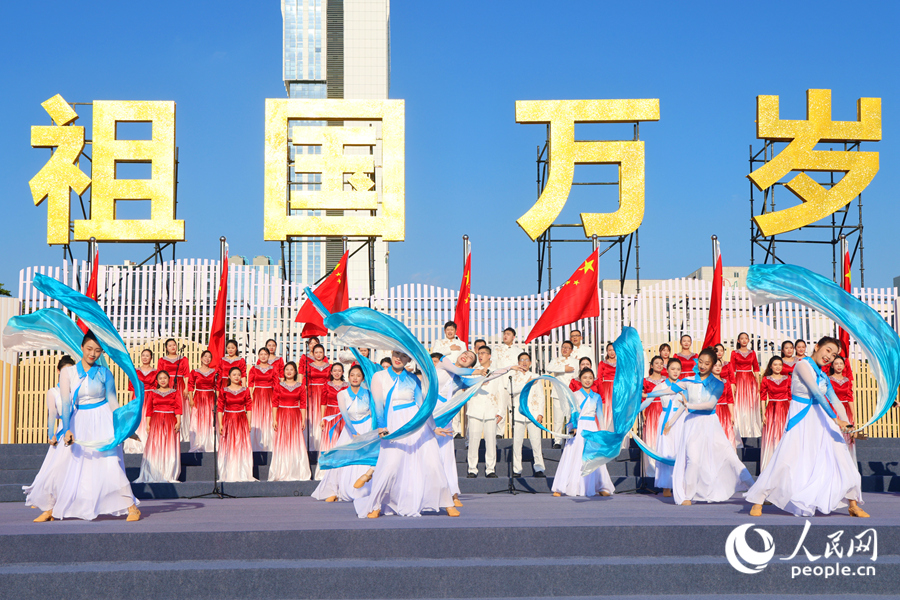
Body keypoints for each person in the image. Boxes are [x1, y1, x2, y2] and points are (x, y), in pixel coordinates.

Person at [747, 337, 867, 518]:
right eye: (828, 350)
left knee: (842, 458)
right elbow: (817, 393)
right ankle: (759, 499)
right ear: (817, 347)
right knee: (785, 459)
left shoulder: (824, 375)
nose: (829, 357)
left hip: (822, 420)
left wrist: (849, 426)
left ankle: (853, 503)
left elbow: (836, 400)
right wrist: (836, 420)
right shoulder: (802, 365)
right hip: (801, 418)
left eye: (834, 355)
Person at [355, 351, 457, 518]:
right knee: (390, 465)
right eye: (396, 354)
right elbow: (378, 404)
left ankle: (447, 503)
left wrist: (432, 426)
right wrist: (381, 426)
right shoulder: (379, 376)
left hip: (417, 425)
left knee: (433, 463)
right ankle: (376, 504)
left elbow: (422, 405)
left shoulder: (413, 378)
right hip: (393, 425)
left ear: (409, 359)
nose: (398, 358)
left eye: (403, 356)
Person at [647, 348, 754, 506]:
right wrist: (647, 395)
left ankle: (754, 490)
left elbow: (710, 404)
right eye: (701, 362)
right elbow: (669, 390)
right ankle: (688, 496)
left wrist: (688, 404)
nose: (703, 365)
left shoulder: (718, 384)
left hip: (710, 423)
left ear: (712, 365)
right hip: (692, 424)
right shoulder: (689, 380)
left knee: (730, 457)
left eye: (707, 363)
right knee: (693, 460)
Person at [52, 331, 141, 521]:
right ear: (82, 348)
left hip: (103, 421)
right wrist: (67, 428)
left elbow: (113, 403)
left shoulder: (105, 373)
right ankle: (72, 506)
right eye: (89, 349)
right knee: (78, 463)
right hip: (79, 422)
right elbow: (66, 403)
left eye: (98, 351)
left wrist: (126, 428)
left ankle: (131, 506)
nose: (93, 354)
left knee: (110, 463)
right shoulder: (69, 372)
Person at [24, 355, 77, 522]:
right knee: (56, 470)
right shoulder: (53, 392)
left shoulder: (77, 390)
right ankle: (50, 507)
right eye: (64, 371)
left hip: (80, 432)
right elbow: (52, 415)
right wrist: (50, 434)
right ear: (58, 371)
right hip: (63, 433)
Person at [552, 368, 614, 497]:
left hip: (592, 428)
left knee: (593, 457)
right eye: (585, 377)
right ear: (579, 379)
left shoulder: (596, 397)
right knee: (574, 455)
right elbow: (573, 412)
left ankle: (599, 485)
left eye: (590, 377)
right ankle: (563, 486)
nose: (587, 380)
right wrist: (574, 426)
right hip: (579, 427)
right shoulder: (574, 395)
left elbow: (600, 415)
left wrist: (602, 431)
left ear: (594, 380)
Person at [312, 364, 372, 498]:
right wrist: (354, 432)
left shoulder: (368, 393)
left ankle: (364, 488)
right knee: (342, 459)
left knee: (365, 458)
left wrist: (369, 432)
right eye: (352, 375)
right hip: (350, 429)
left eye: (358, 375)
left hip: (366, 428)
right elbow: (344, 414)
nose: (355, 378)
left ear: (363, 378)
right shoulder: (342, 394)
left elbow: (372, 412)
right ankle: (335, 490)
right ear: (348, 377)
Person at [433, 350, 479, 508]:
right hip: (428, 411)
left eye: (470, 358)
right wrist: (477, 371)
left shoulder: (460, 380)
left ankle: (452, 493)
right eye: (465, 353)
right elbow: (457, 370)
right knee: (425, 451)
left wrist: (505, 369)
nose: (466, 356)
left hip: (444, 416)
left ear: (470, 364)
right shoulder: (444, 362)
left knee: (446, 456)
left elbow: (482, 379)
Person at [645, 359, 686, 498]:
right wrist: (631, 414)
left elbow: (684, 405)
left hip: (680, 420)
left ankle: (680, 483)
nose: (675, 372)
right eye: (672, 368)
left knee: (679, 450)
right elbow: (646, 402)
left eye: (678, 369)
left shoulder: (684, 386)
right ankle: (666, 485)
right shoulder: (659, 387)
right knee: (666, 450)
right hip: (665, 420)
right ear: (667, 369)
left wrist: (672, 422)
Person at [135, 370, 182, 483]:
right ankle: (155, 472)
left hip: (171, 420)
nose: (162, 380)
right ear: (157, 380)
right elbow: (149, 410)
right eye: (160, 378)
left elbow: (178, 408)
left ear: (169, 379)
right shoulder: (153, 393)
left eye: (165, 378)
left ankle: (168, 472)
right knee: (156, 446)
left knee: (169, 446)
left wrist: (179, 421)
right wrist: (148, 424)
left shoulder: (175, 392)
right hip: (156, 421)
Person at [505, 352, 545, 478]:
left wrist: (540, 413)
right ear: (518, 362)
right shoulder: (512, 376)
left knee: (536, 441)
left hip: (533, 413)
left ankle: (539, 468)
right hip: (518, 413)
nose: (524, 362)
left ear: (531, 363)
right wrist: (526, 383)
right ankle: (517, 469)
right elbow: (511, 391)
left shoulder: (535, 376)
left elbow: (540, 396)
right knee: (517, 442)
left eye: (527, 360)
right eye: (522, 359)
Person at [269, 362, 311, 481]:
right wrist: (274, 419)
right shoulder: (279, 386)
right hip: (282, 415)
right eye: (287, 369)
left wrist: (303, 420)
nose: (289, 371)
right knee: (282, 442)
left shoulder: (300, 386)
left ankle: (297, 470)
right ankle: (281, 470)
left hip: (295, 415)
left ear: (295, 372)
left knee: (296, 442)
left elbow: (303, 404)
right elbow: (274, 403)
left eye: (291, 369)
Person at [466, 345, 502, 478]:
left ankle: (490, 469)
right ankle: (472, 469)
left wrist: (501, 411)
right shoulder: (473, 372)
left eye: (483, 353)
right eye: (478, 353)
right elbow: (468, 388)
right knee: (473, 440)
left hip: (491, 410)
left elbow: (501, 392)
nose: (480, 356)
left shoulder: (497, 372)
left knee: (491, 441)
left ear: (489, 355)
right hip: (475, 409)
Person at [217, 366, 255, 482]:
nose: (237, 377)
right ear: (229, 376)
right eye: (234, 374)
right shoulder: (224, 390)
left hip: (241, 419)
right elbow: (219, 408)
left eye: (239, 374)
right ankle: (228, 472)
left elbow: (249, 407)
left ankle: (242, 472)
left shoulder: (246, 390)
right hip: (228, 419)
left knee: (241, 444)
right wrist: (220, 424)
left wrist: (249, 422)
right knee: (229, 445)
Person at [545, 340, 580, 448]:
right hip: (558, 392)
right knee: (558, 418)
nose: (565, 349)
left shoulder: (575, 362)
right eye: (563, 347)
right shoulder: (555, 360)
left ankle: (571, 438)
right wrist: (564, 368)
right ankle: (557, 440)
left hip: (571, 392)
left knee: (571, 416)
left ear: (571, 350)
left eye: (567, 348)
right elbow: (548, 369)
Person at [759, 356, 791, 472]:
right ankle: (771, 466)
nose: (778, 367)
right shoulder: (766, 379)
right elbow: (763, 398)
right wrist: (763, 414)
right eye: (775, 364)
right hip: (771, 409)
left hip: (785, 409)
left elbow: (790, 397)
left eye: (780, 364)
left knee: (784, 434)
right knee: (772, 436)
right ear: (771, 366)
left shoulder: (787, 378)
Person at [317, 362, 348, 478]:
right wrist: (322, 419)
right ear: (331, 372)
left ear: (343, 372)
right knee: (329, 441)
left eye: (339, 370)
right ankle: (327, 469)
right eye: (334, 370)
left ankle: (342, 469)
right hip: (330, 415)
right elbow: (323, 403)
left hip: (343, 415)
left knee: (343, 440)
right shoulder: (326, 385)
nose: (337, 373)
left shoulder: (346, 385)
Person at [123, 349, 158, 454]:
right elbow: (132, 387)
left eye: (147, 355)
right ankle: (136, 444)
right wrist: (131, 401)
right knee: (137, 419)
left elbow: (157, 387)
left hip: (151, 397)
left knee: (149, 419)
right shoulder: (135, 371)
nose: (145, 357)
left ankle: (148, 444)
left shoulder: (156, 372)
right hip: (138, 397)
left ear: (151, 358)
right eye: (143, 355)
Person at [158, 338, 190, 441]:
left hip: (180, 385)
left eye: (174, 345)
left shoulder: (183, 359)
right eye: (170, 345)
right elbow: (159, 375)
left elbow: (186, 374)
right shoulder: (162, 360)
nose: (173, 347)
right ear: (166, 348)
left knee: (180, 407)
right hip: (167, 385)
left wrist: (186, 388)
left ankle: (181, 430)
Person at [730, 332, 761, 438]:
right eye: (741, 338)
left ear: (748, 340)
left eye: (746, 338)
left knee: (750, 403)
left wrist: (758, 383)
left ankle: (751, 428)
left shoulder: (752, 353)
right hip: (738, 378)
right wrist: (733, 384)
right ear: (738, 341)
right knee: (739, 403)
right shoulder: (734, 353)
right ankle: (739, 428)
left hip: (750, 379)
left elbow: (756, 368)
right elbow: (732, 369)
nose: (744, 340)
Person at [640, 355, 667, 475]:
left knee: (663, 440)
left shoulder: (666, 380)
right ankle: (651, 471)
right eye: (657, 363)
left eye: (661, 363)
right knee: (651, 439)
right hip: (650, 411)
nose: (659, 365)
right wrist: (643, 413)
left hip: (664, 410)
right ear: (651, 365)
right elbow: (641, 398)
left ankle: (663, 471)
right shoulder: (645, 381)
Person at [186, 350, 217, 452]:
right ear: (201, 358)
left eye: (209, 357)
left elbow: (218, 387)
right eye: (205, 356)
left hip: (210, 397)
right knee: (198, 419)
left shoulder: (214, 372)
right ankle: (198, 442)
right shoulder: (194, 372)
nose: (207, 359)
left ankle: (210, 442)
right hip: (198, 397)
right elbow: (190, 386)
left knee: (209, 419)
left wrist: (217, 400)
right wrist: (191, 399)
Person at [830, 356, 858, 462]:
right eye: (836, 363)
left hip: (846, 411)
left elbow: (850, 398)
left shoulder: (847, 381)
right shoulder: (828, 380)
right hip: (834, 410)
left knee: (847, 437)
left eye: (841, 363)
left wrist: (853, 416)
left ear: (844, 365)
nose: (839, 366)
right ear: (832, 366)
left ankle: (846, 463)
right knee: (834, 436)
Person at [248, 348, 277, 452]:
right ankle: (256, 443)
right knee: (257, 417)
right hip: (257, 395)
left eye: (265, 354)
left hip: (269, 395)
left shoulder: (273, 369)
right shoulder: (254, 368)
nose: (263, 356)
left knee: (269, 417)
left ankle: (269, 443)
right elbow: (250, 383)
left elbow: (276, 384)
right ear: (258, 356)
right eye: (261, 354)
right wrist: (251, 396)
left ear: (269, 356)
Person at [304, 344, 331, 453]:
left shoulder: (329, 366)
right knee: (313, 416)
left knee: (322, 415)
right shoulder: (308, 366)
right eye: (316, 352)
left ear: (324, 353)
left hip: (325, 393)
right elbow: (305, 381)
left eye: (321, 352)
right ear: (313, 354)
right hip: (312, 393)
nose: (318, 354)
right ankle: (312, 443)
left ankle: (322, 443)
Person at [712, 359, 738, 452]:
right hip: (713, 411)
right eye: (715, 365)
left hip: (725, 411)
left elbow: (730, 399)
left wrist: (732, 415)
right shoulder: (707, 382)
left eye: (720, 365)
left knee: (727, 434)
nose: (718, 367)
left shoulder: (726, 382)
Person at [597, 343, 617, 430]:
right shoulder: (602, 363)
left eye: (614, 350)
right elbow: (599, 378)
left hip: (617, 389)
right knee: (607, 410)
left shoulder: (620, 363)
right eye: (610, 350)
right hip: (606, 389)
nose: (612, 352)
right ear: (606, 351)